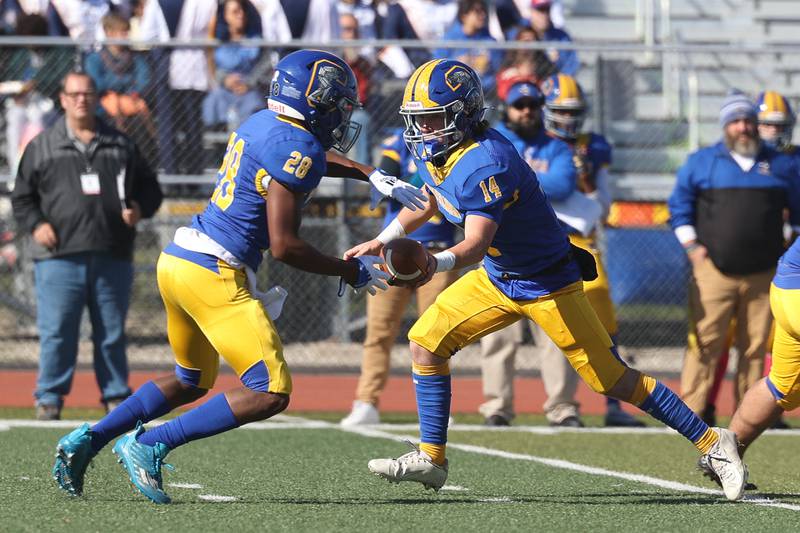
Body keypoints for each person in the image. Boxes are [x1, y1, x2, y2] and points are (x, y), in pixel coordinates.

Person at [351, 59, 748, 501]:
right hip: (501, 276)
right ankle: (432, 458)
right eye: (418, 121)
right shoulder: (441, 151)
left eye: (431, 120)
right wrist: (383, 238)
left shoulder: (485, 161)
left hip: (546, 283)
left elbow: (477, 242)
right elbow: (427, 200)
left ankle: (715, 442)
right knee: (425, 340)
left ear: (462, 115)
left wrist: (432, 263)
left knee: (612, 379)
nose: (422, 131)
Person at [48, 50, 426, 504]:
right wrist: (350, 269)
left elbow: (307, 154)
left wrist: (371, 175)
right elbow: (284, 245)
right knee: (270, 391)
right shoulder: (298, 146)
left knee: (191, 380)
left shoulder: (260, 121)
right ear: (311, 101)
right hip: (215, 271)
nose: (341, 115)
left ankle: (88, 439)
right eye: (336, 105)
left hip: (179, 259)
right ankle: (150, 443)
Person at [478, 78, 644, 428]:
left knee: (559, 331)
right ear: (507, 108)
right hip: (501, 246)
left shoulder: (555, 147)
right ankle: (497, 405)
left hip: (552, 244)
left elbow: (562, 183)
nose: (526, 111)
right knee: (498, 335)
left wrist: (511, 183)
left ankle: (563, 406)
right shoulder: (494, 140)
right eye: (520, 105)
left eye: (533, 105)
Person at [11, 71, 163, 420]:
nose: (81, 99)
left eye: (88, 93)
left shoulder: (121, 144)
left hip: (112, 253)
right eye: (74, 94)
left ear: (96, 98)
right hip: (58, 257)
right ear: (62, 99)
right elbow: (22, 199)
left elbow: (151, 189)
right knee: (57, 333)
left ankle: (115, 397)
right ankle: (49, 398)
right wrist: (37, 225)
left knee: (110, 333)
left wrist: (139, 208)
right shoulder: (42, 146)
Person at [668, 90, 800, 419]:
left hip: (763, 272)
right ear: (725, 125)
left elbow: (797, 214)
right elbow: (679, 207)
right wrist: (693, 248)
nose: (743, 127)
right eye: (736, 121)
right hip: (714, 270)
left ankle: (749, 414)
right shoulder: (702, 161)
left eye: (748, 120)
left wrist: (788, 248)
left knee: (755, 347)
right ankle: (692, 414)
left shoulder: (780, 164)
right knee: (705, 342)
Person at [341, 128, 459, 426]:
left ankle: (438, 405)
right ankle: (366, 401)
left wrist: (428, 180)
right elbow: (386, 177)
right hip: (390, 253)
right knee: (379, 332)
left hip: (436, 253)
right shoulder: (399, 141)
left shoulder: (455, 144)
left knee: (436, 335)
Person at [84, 12, 157, 167]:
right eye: (122, 32)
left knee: (138, 119)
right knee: (112, 107)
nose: (126, 36)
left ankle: (143, 163)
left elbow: (144, 80)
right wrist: (119, 90)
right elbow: (97, 84)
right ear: (108, 32)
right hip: (104, 108)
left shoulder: (135, 57)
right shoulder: (94, 59)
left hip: (131, 103)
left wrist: (129, 94)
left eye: (126, 32)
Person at [202, 0, 265, 131]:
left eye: (242, 10)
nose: (240, 15)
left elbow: (263, 67)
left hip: (249, 91)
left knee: (254, 103)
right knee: (214, 99)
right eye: (235, 12)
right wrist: (225, 80)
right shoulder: (218, 43)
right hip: (225, 91)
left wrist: (248, 83)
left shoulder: (256, 41)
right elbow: (212, 68)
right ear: (225, 16)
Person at [434, 0, 502, 93]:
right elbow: (436, 68)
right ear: (464, 16)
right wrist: (456, 63)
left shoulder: (490, 41)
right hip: (454, 93)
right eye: (477, 11)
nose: (483, 15)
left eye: (484, 11)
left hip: (485, 93)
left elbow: (499, 70)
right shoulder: (449, 39)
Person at [527, 0, 577, 76]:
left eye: (547, 10)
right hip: (527, 84)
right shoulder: (520, 34)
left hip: (556, 84)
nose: (544, 15)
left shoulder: (562, 36)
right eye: (540, 10)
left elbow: (571, 65)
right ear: (531, 12)